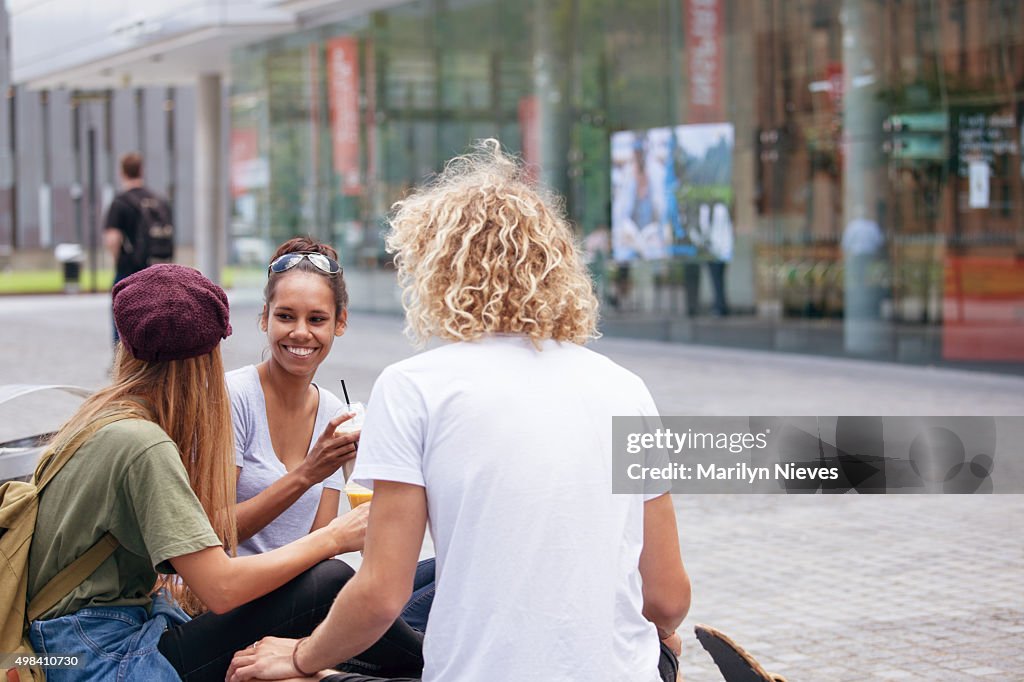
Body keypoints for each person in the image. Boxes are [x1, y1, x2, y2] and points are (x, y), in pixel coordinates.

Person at [228, 140, 691, 682]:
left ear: (436, 269)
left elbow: (379, 593)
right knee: (667, 643)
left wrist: (302, 657)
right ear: (559, 266)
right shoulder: (626, 389)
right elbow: (666, 597)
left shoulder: (415, 388)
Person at [27, 264, 424, 682]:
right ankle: (443, 663)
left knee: (377, 585)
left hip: (77, 643)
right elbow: (220, 589)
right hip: (102, 658)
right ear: (206, 359)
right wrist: (334, 538)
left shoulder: (101, 417)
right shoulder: (142, 443)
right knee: (331, 580)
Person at [229, 236, 435, 633]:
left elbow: (320, 545)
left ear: (339, 323)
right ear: (264, 319)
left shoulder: (333, 415)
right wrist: (309, 471)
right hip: (237, 602)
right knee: (354, 593)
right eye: (285, 316)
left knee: (441, 575)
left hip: (299, 597)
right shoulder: (233, 397)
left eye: (317, 319)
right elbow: (218, 533)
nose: (301, 333)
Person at [103, 152, 174, 342]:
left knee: (123, 320)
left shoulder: (120, 202)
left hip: (130, 271)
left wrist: (119, 259)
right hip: (158, 270)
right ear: (141, 171)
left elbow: (112, 239)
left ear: (122, 173)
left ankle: (124, 365)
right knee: (155, 319)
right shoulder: (159, 201)